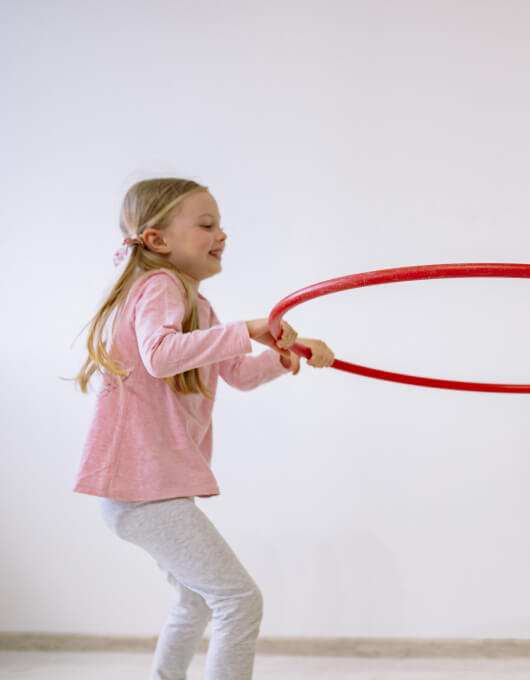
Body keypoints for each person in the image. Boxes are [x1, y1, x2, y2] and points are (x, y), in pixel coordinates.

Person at [73, 178, 335, 680]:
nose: (222, 234)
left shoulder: (198, 305)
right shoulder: (159, 285)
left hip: (146, 491)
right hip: (143, 490)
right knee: (238, 599)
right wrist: (248, 330)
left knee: (195, 601)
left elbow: (236, 374)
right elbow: (160, 356)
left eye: (220, 224)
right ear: (157, 240)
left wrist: (284, 357)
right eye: (207, 224)